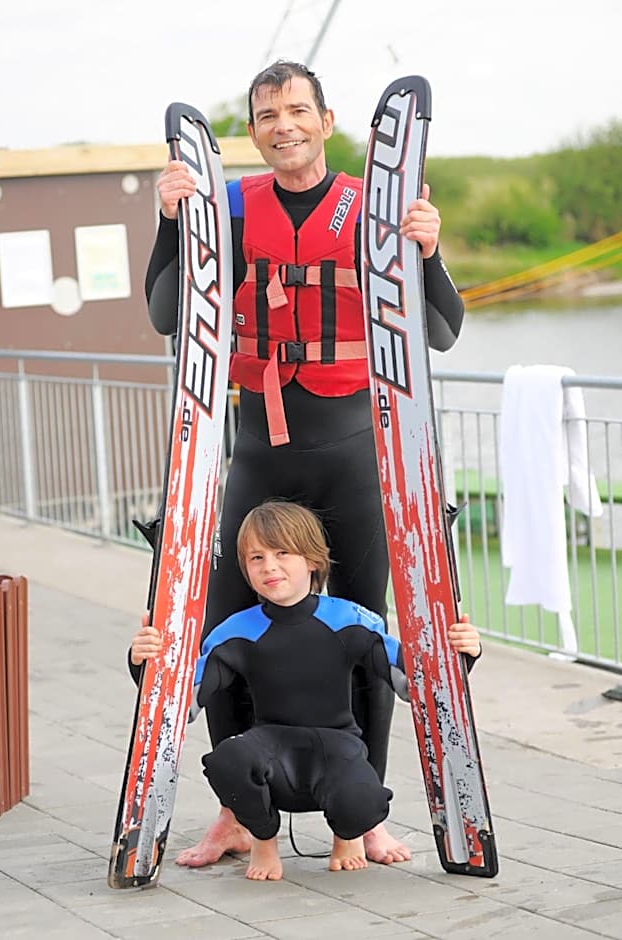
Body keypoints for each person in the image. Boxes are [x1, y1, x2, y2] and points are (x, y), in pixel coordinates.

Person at [144, 59, 465, 868]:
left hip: (354, 451)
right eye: (266, 114)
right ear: (252, 130)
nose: (282, 124)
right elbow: (163, 315)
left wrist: (426, 251)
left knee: (361, 630)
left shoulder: (373, 207)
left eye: (297, 110)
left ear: (326, 120)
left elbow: (439, 331)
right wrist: (170, 222)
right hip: (258, 449)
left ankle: (363, 816)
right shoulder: (226, 206)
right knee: (228, 628)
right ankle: (233, 815)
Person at [129, 501, 482, 881]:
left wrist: (463, 654)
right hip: (270, 750)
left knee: (364, 800)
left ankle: (348, 835)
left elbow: (416, 685)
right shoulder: (235, 630)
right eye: (257, 557)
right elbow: (181, 706)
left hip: (337, 750)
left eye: (283, 553)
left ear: (312, 560)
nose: (270, 567)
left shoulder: (350, 619)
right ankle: (263, 839)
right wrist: (145, 662)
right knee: (226, 759)